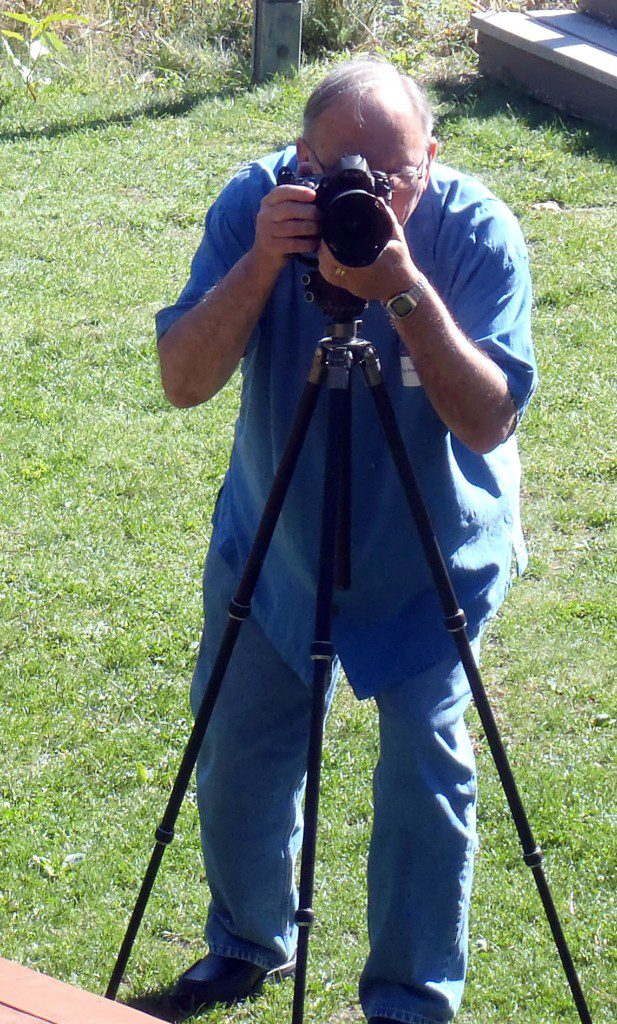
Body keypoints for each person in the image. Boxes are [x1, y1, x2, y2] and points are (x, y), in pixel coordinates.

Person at [155, 58, 537, 1024]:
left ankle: (409, 1000)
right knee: (239, 746)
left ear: (434, 161)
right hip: (277, 538)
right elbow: (183, 381)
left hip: (427, 551)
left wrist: (401, 287)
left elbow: (489, 421)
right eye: (341, 172)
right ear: (298, 159)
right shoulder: (257, 205)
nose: (373, 195)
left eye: (397, 174)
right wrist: (256, 262)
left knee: (423, 766)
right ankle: (246, 941)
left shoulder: (473, 230)